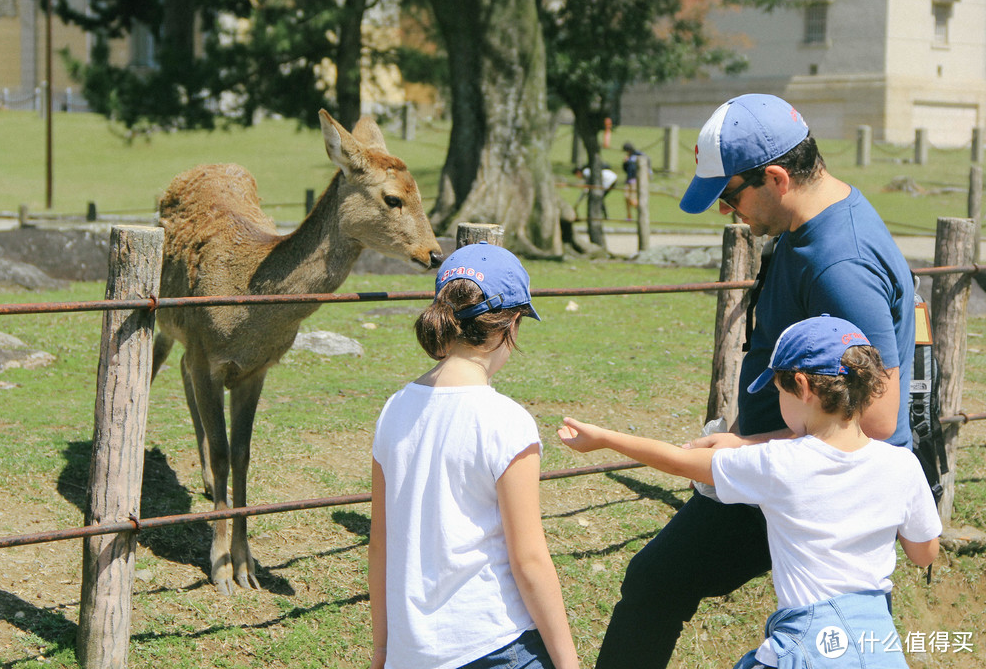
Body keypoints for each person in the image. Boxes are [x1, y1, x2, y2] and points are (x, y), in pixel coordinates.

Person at [593, 94, 918, 668]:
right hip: (793, 460)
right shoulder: (806, 228)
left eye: (728, 194)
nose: (725, 210)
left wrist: (747, 449)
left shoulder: (840, 263)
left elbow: (876, 417)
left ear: (775, 177)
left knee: (656, 582)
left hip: (818, 479)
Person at [559, 315, 942, 668]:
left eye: (780, 391)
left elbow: (678, 462)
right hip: (877, 648)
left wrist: (606, 438)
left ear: (804, 387)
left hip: (806, 650)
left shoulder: (780, 464)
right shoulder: (902, 465)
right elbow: (924, 554)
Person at [369, 241, 579, 669]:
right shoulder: (506, 420)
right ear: (511, 324)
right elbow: (529, 560)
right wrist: (568, 662)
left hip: (412, 653)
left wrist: (382, 649)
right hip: (495, 644)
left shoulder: (394, 409)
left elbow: (380, 544)